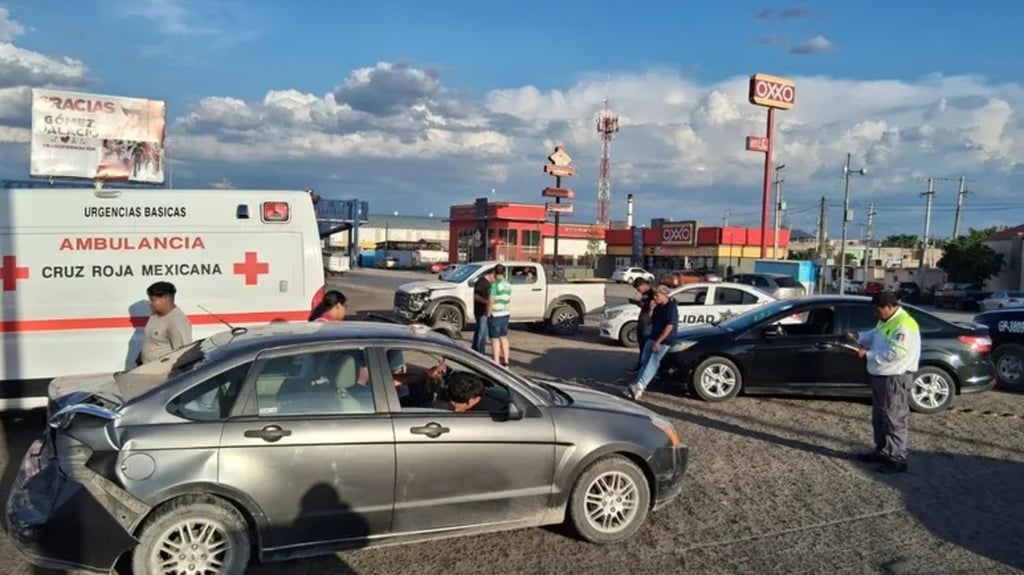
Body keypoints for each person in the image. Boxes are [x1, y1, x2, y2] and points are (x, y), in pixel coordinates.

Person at [849, 290, 921, 474]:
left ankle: (897, 457)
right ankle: (882, 451)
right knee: (880, 418)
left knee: (894, 418)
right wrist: (858, 336)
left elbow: (896, 353)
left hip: (894, 377)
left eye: (877, 309)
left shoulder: (904, 324)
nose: (875, 313)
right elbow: (874, 335)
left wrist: (868, 355)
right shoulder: (886, 321)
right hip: (881, 376)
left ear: (889, 307)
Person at [625, 285, 679, 401]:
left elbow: (670, 326)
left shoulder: (671, 307)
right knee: (644, 361)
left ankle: (640, 386)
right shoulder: (658, 306)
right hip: (653, 336)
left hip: (663, 340)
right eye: (654, 295)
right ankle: (636, 384)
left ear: (665, 295)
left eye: (657, 295)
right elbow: (649, 322)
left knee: (653, 362)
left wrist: (658, 342)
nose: (654, 298)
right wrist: (651, 309)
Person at [137, 281, 193, 365]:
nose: (150, 303)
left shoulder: (177, 322)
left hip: (163, 374)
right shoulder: (155, 315)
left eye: (153, 300)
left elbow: (183, 355)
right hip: (147, 369)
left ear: (166, 298)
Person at [629, 277, 654, 374]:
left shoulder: (653, 293)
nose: (638, 291)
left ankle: (644, 367)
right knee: (641, 345)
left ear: (643, 285)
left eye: (639, 288)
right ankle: (640, 364)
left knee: (645, 345)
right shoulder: (644, 294)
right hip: (642, 319)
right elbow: (643, 304)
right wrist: (637, 303)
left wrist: (642, 304)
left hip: (648, 322)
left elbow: (652, 307)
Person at [488, 264, 513, 367]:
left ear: (494, 272)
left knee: (495, 338)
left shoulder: (494, 285)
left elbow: (491, 299)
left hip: (496, 313)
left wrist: (488, 311)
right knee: (504, 337)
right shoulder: (507, 284)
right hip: (505, 313)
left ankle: (496, 361)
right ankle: (506, 361)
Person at [471, 269, 495, 354]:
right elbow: (476, 296)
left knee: (479, 331)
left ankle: (474, 349)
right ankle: (480, 352)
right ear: (491, 274)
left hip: (484, 310)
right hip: (481, 311)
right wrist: (486, 302)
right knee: (482, 333)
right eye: (494, 276)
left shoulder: (488, 283)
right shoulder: (482, 282)